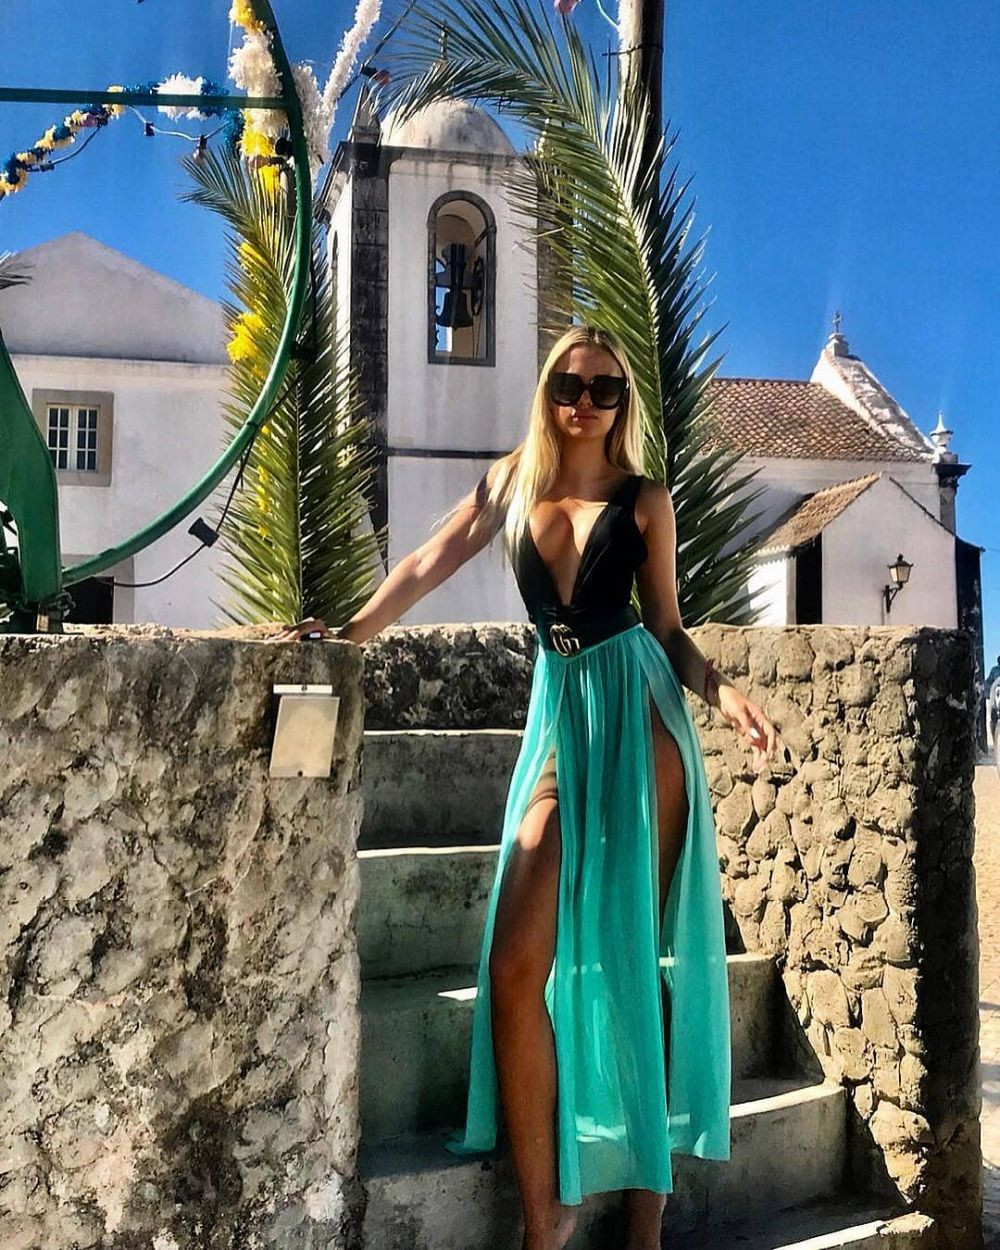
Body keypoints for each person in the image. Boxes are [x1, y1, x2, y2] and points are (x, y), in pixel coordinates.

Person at [279, 323, 778, 1250]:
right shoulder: (511, 481)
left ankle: (645, 1212)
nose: (585, 403)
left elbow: (666, 628)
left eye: (604, 389)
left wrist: (726, 694)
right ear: (546, 391)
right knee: (515, 966)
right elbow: (426, 562)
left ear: (623, 404)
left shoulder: (645, 499)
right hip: (561, 715)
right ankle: (545, 1215)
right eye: (568, 385)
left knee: (638, 957)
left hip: (641, 718)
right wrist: (347, 635)